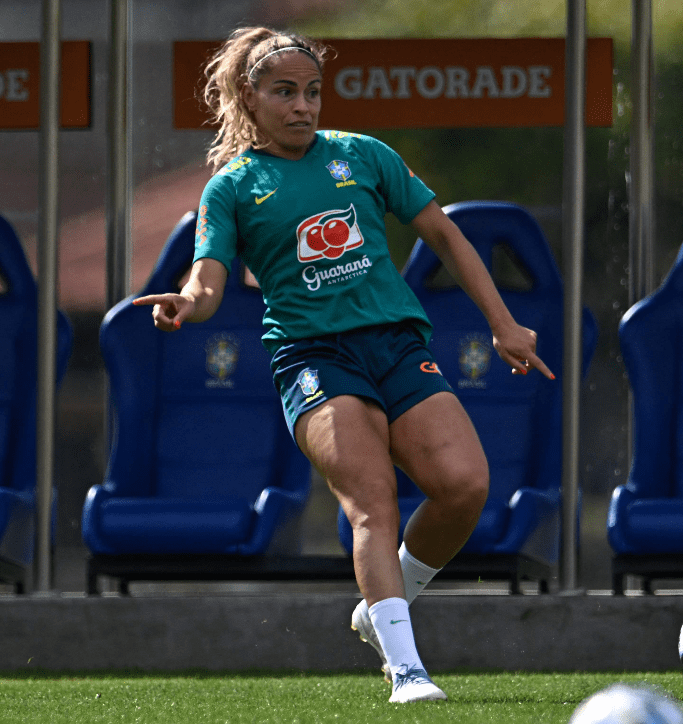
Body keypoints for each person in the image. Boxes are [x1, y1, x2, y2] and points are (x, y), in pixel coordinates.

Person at [133, 27, 553, 704]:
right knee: (372, 503)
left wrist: (503, 323)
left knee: (465, 484)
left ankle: (382, 608)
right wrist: (186, 304)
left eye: (313, 91)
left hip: (395, 345)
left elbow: (444, 232)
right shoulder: (234, 188)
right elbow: (207, 281)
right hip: (312, 359)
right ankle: (406, 669)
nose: (303, 106)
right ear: (250, 95)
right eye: (285, 92)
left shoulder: (363, 154)